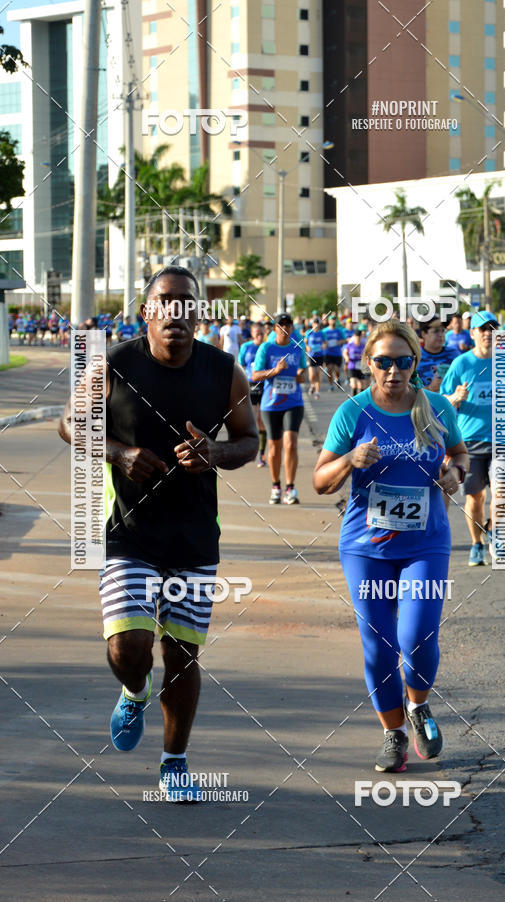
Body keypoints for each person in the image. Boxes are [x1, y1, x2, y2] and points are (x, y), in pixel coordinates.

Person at [58, 265, 258, 801]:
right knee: (130, 646)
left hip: (193, 538)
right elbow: (70, 423)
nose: (175, 311)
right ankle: (132, 687)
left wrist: (214, 453)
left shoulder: (224, 371)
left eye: (186, 302)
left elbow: (249, 441)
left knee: (183, 655)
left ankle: (175, 763)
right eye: (164, 301)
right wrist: (118, 453)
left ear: (199, 312)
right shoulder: (116, 364)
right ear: (147, 311)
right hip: (130, 532)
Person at [313, 320, 468, 772]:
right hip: (366, 546)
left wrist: (456, 474)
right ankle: (392, 734)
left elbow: (459, 455)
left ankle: (418, 707)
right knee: (378, 645)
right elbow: (321, 481)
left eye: (403, 362)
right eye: (383, 362)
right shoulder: (353, 413)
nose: (394, 371)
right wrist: (348, 460)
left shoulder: (437, 407)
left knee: (417, 635)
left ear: (415, 363)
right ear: (368, 364)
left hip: (426, 542)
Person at [440, 310, 499, 566]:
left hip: (503, 439)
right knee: (475, 498)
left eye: (492, 328)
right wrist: (456, 397)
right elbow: (442, 400)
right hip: (470, 441)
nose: (488, 333)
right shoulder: (461, 364)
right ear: (472, 333)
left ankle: (494, 531)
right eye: (482, 328)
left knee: (503, 493)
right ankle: (477, 543)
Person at [252, 311, 307, 504]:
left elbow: (302, 372)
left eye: (289, 325)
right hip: (271, 404)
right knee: (274, 447)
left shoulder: (298, 348)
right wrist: (275, 371)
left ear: (292, 328)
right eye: (281, 325)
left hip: (293, 402)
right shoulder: (266, 348)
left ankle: (290, 488)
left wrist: (301, 375)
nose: (286, 328)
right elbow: (255, 375)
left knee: (290, 443)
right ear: (275, 328)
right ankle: (276, 485)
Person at [239, 322, 267, 466]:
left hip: (264, 385)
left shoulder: (267, 347)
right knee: (254, 419)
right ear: (252, 333)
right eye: (257, 332)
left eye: (262, 332)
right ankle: (256, 453)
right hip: (250, 385)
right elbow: (241, 364)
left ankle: (262, 454)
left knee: (261, 420)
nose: (259, 335)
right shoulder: (246, 347)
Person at [417, 318, 460, 392]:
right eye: (436, 331)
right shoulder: (416, 358)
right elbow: (409, 391)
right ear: (424, 333)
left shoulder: (454, 354)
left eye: (443, 330)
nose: (441, 335)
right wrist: (430, 388)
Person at [323, 315, 345, 390]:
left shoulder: (339, 331)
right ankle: (331, 385)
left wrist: (339, 342)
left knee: (337, 370)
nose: (333, 321)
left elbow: (344, 340)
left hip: (337, 353)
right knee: (329, 369)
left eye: (334, 319)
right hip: (328, 353)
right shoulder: (324, 331)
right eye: (332, 320)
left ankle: (337, 379)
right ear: (329, 321)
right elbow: (322, 341)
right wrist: (325, 344)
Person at [305, 317, 326, 397]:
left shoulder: (322, 333)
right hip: (311, 356)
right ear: (312, 324)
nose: (316, 325)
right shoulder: (309, 332)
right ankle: (312, 385)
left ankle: (317, 392)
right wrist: (307, 347)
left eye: (317, 323)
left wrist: (324, 345)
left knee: (318, 374)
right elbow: (305, 343)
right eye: (315, 323)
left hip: (320, 355)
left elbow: (325, 342)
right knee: (311, 375)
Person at [343, 329, 367, 396]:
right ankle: (353, 401)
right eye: (356, 336)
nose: (358, 338)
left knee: (362, 386)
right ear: (354, 337)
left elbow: (367, 355)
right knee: (354, 385)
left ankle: (360, 401)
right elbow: (345, 352)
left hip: (361, 367)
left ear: (361, 337)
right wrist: (347, 357)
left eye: (359, 337)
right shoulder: (350, 345)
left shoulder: (363, 346)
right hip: (352, 366)